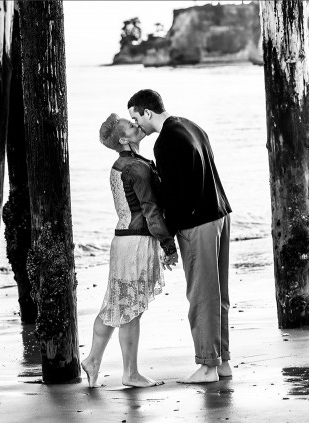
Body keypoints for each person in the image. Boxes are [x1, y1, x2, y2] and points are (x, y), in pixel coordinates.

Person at [127, 89, 232, 384]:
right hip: (221, 215)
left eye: (136, 118)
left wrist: (167, 239)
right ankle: (222, 363)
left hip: (198, 223)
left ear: (148, 112)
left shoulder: (165, 142)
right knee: (219, 293)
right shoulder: (191, 125)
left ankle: (208, 367)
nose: (137, 126)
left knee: (201, 295)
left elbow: (174, 197)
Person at [80, 113, 179, 388]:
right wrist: (168, 245)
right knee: (130, 309)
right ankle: (130, 373)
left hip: (122, 239)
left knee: (116, 304)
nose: (137, 125)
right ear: (124, 139)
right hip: (136, 242)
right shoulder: (136, 167)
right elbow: (151, 211)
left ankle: (92, 361)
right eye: (131, 126)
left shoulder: (121, 165)